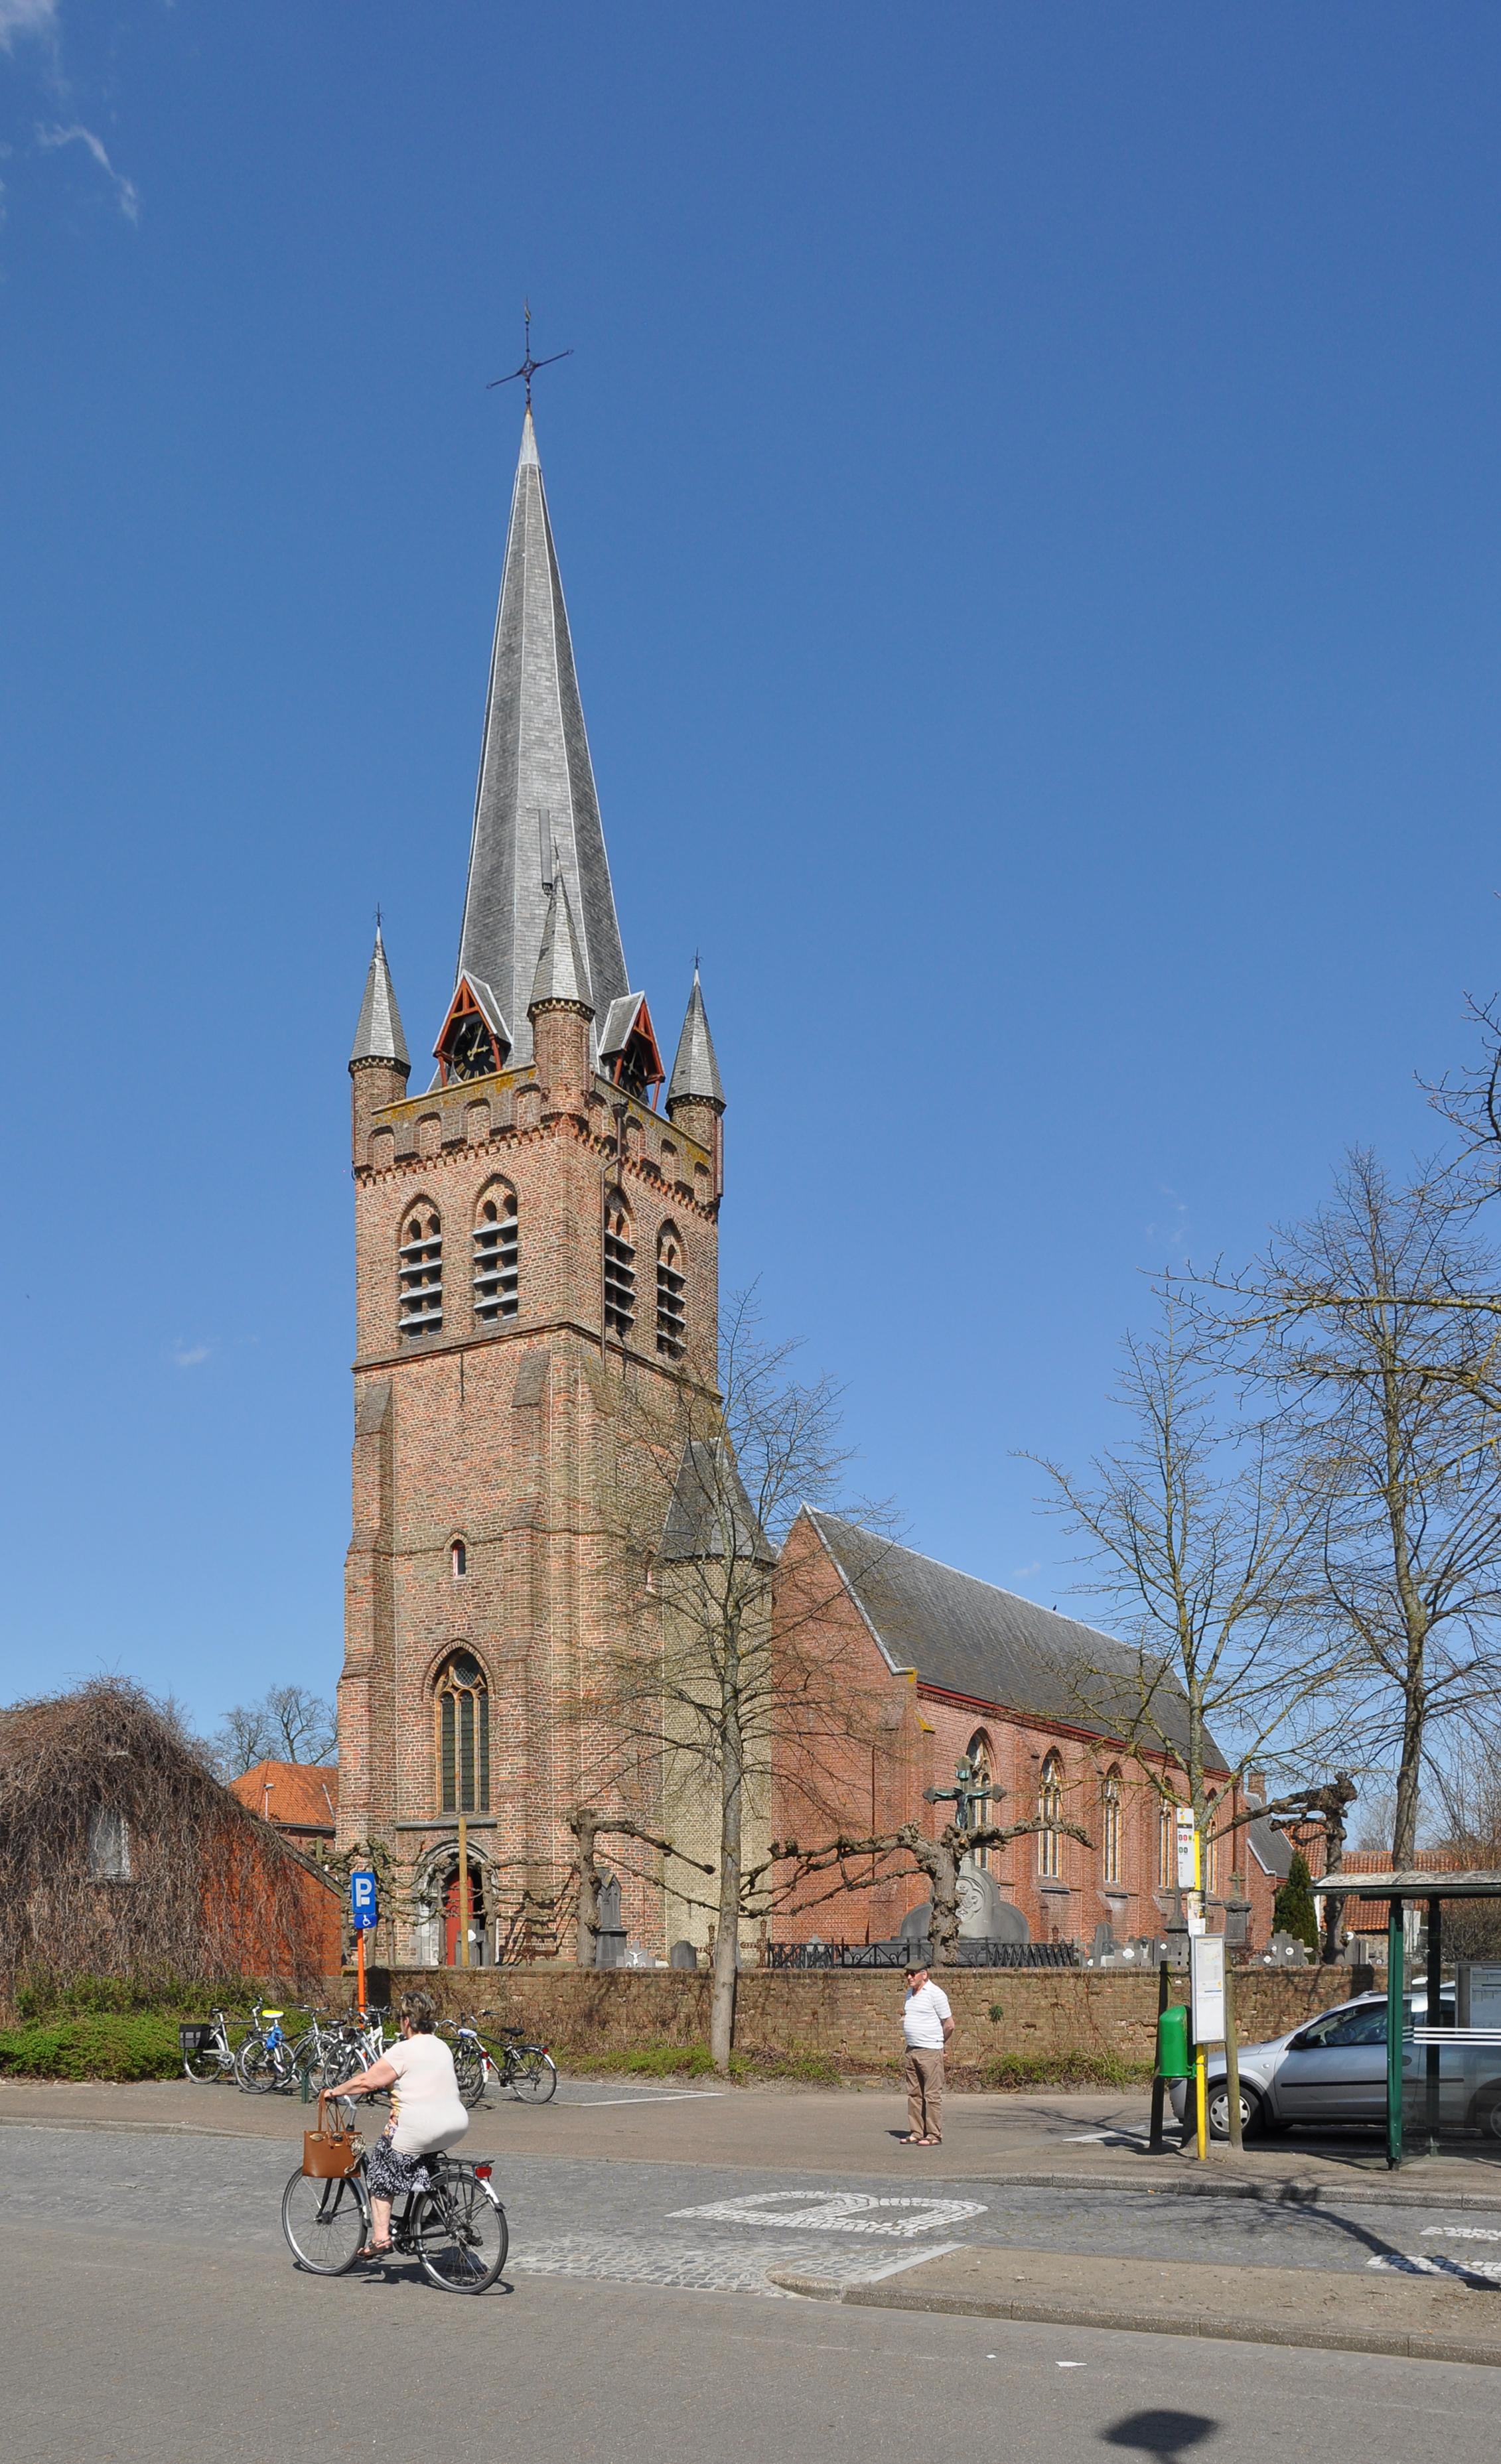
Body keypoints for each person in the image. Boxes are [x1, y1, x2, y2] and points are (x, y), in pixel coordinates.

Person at [336, 1989, 468, 2259]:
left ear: (407, 2020)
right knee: (421, 2159)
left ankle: (381, 2238)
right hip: (456, 2124)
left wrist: (334, 2091)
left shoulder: (404, 2050)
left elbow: (368, 2081)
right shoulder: (442, 2046)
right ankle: (440, 2200)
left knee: (380, 2172)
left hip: (421, 2126)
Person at [900, 1960, 952, 2146]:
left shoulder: (936, 1994)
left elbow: (949, 2024)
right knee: (914, 2094)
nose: (909, 1977)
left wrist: (939, 2043)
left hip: (931, 2051)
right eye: (907, 1974)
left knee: (932, 2096)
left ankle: (934, 2135)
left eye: (913, 1973)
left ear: (924, 1974)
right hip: (912, 2050)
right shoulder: (909, 1994)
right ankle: (916, 2131)